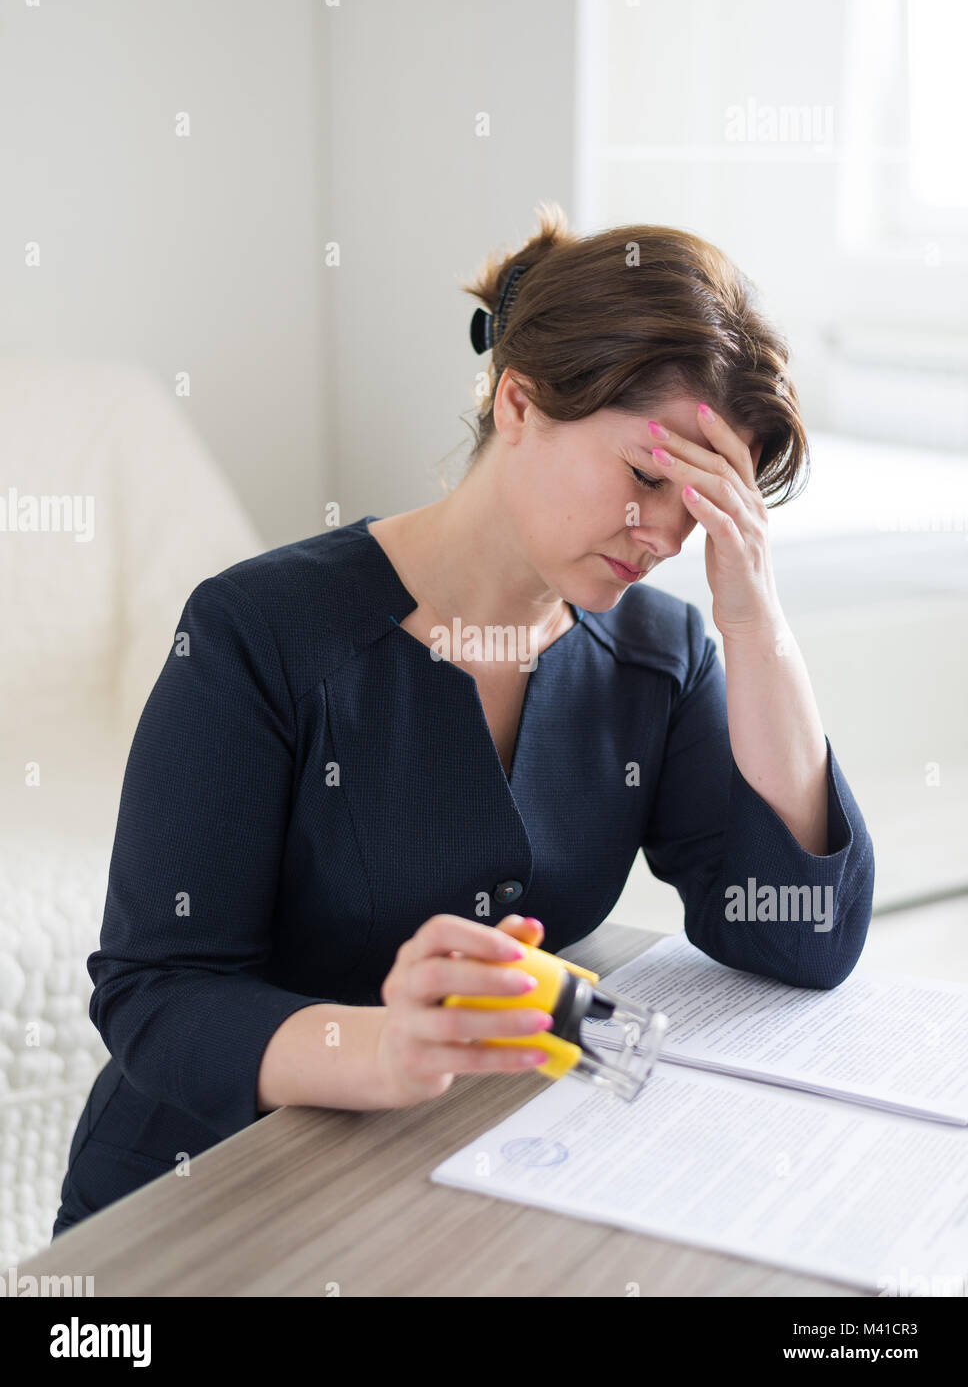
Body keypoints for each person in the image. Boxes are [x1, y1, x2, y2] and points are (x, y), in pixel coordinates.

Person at [52, 203, 874, 1237]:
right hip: (210, 1189)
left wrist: (754, 619)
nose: (662, 535)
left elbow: (800, 933)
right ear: (518, 402)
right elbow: (156, 993)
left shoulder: (657, 654)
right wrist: (381, 1046)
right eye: (646, 477)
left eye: (705, 507)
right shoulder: (256, 632)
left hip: (464, 1180)